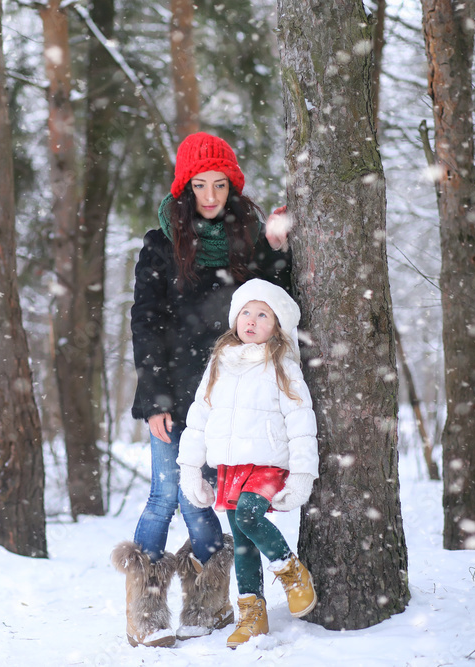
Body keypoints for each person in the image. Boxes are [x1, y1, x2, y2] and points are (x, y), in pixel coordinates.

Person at [111, 132, 291, 648]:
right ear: (184, 188)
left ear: (232, 188)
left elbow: (272, 302)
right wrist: (155, 399)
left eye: (219, 185)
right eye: (199, 185)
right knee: (168, 493)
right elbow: (146, 322)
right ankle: (144, 616)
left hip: (230, 395)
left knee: (212, 496)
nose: (209, 196)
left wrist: (277, 251)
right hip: (174, 392)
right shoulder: (161, 244)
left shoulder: (247, 242)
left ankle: (207, 607)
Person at [177, 278, 318, 648]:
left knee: (248, 518)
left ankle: (291, 572)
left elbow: (302, 421)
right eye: (245, 312)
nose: (251, 320)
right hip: (230, 467)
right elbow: (199, 416)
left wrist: (302, 474)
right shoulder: (219, 363)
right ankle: (252, 614)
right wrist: (190, 469)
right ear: (234, 318)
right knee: (241, 542)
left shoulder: (282, 364)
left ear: (277, 326)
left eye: (262, 314)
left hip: (268, 462)